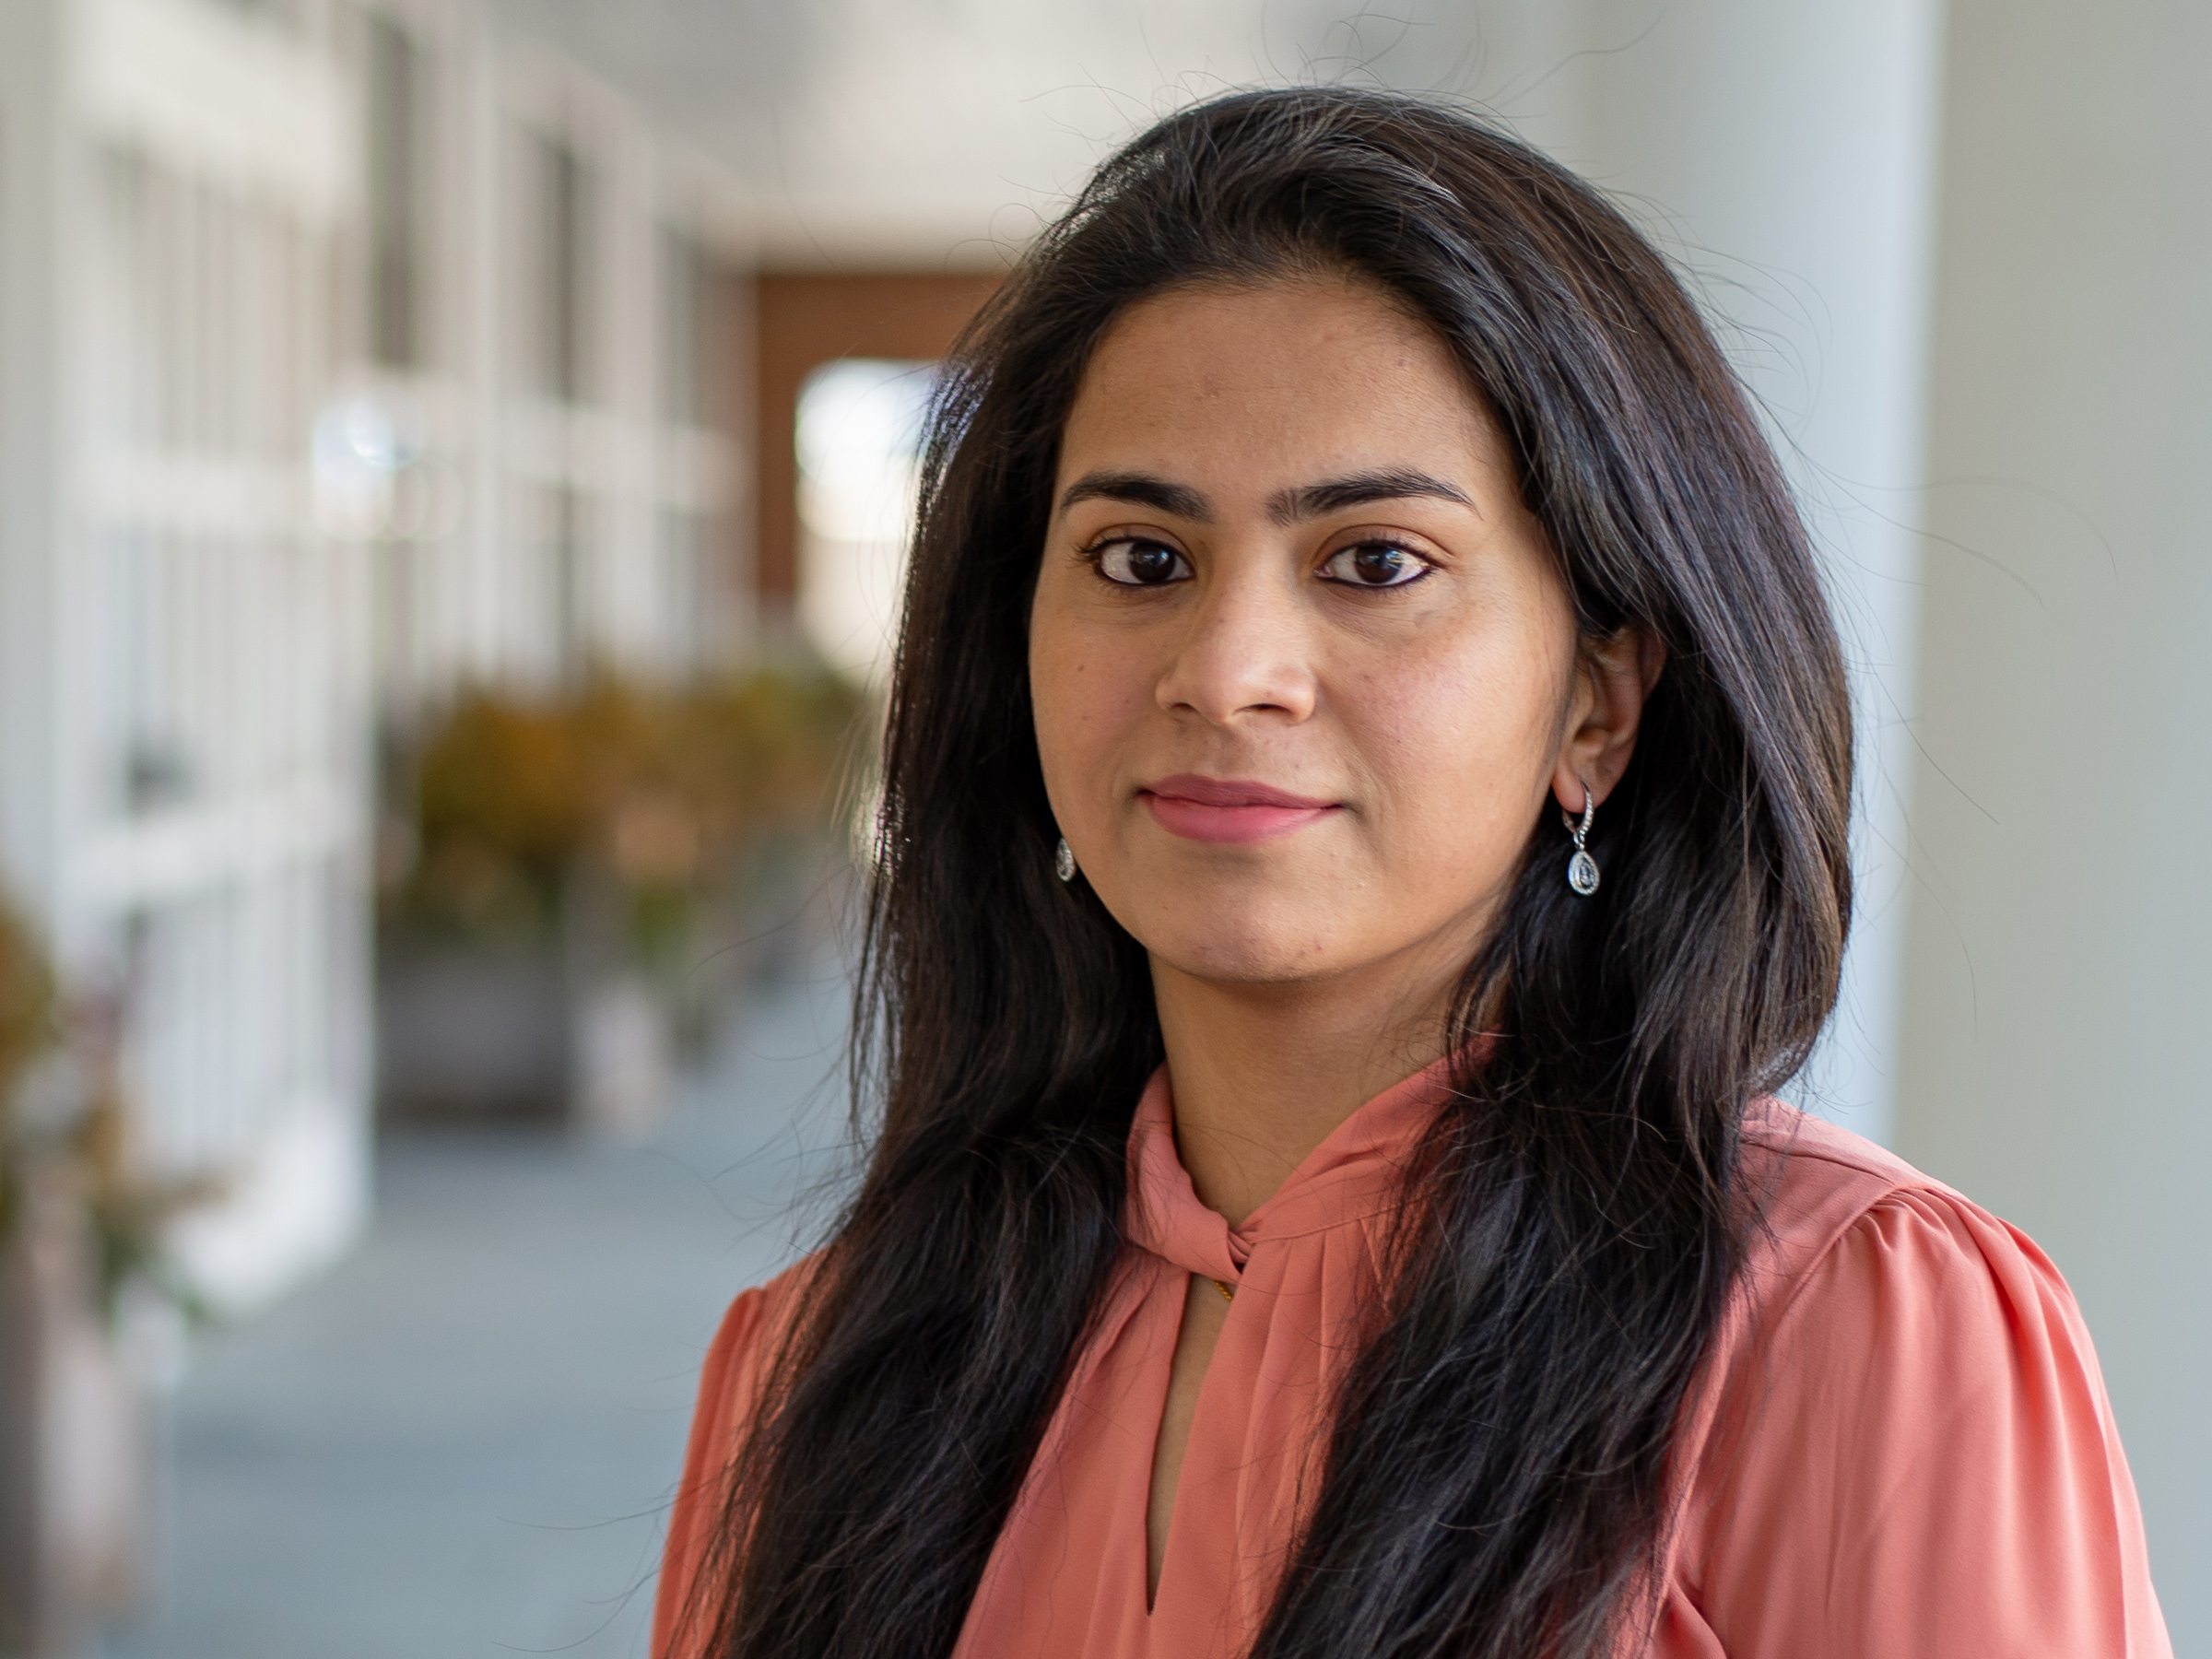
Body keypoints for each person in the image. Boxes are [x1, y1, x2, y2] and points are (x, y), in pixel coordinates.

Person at [654, 88, 2171, 1659]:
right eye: (1139, 560)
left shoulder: (1860, 1334)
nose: (1230, 670)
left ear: (1597, 702)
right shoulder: (825, 1362)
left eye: (1376, 562)